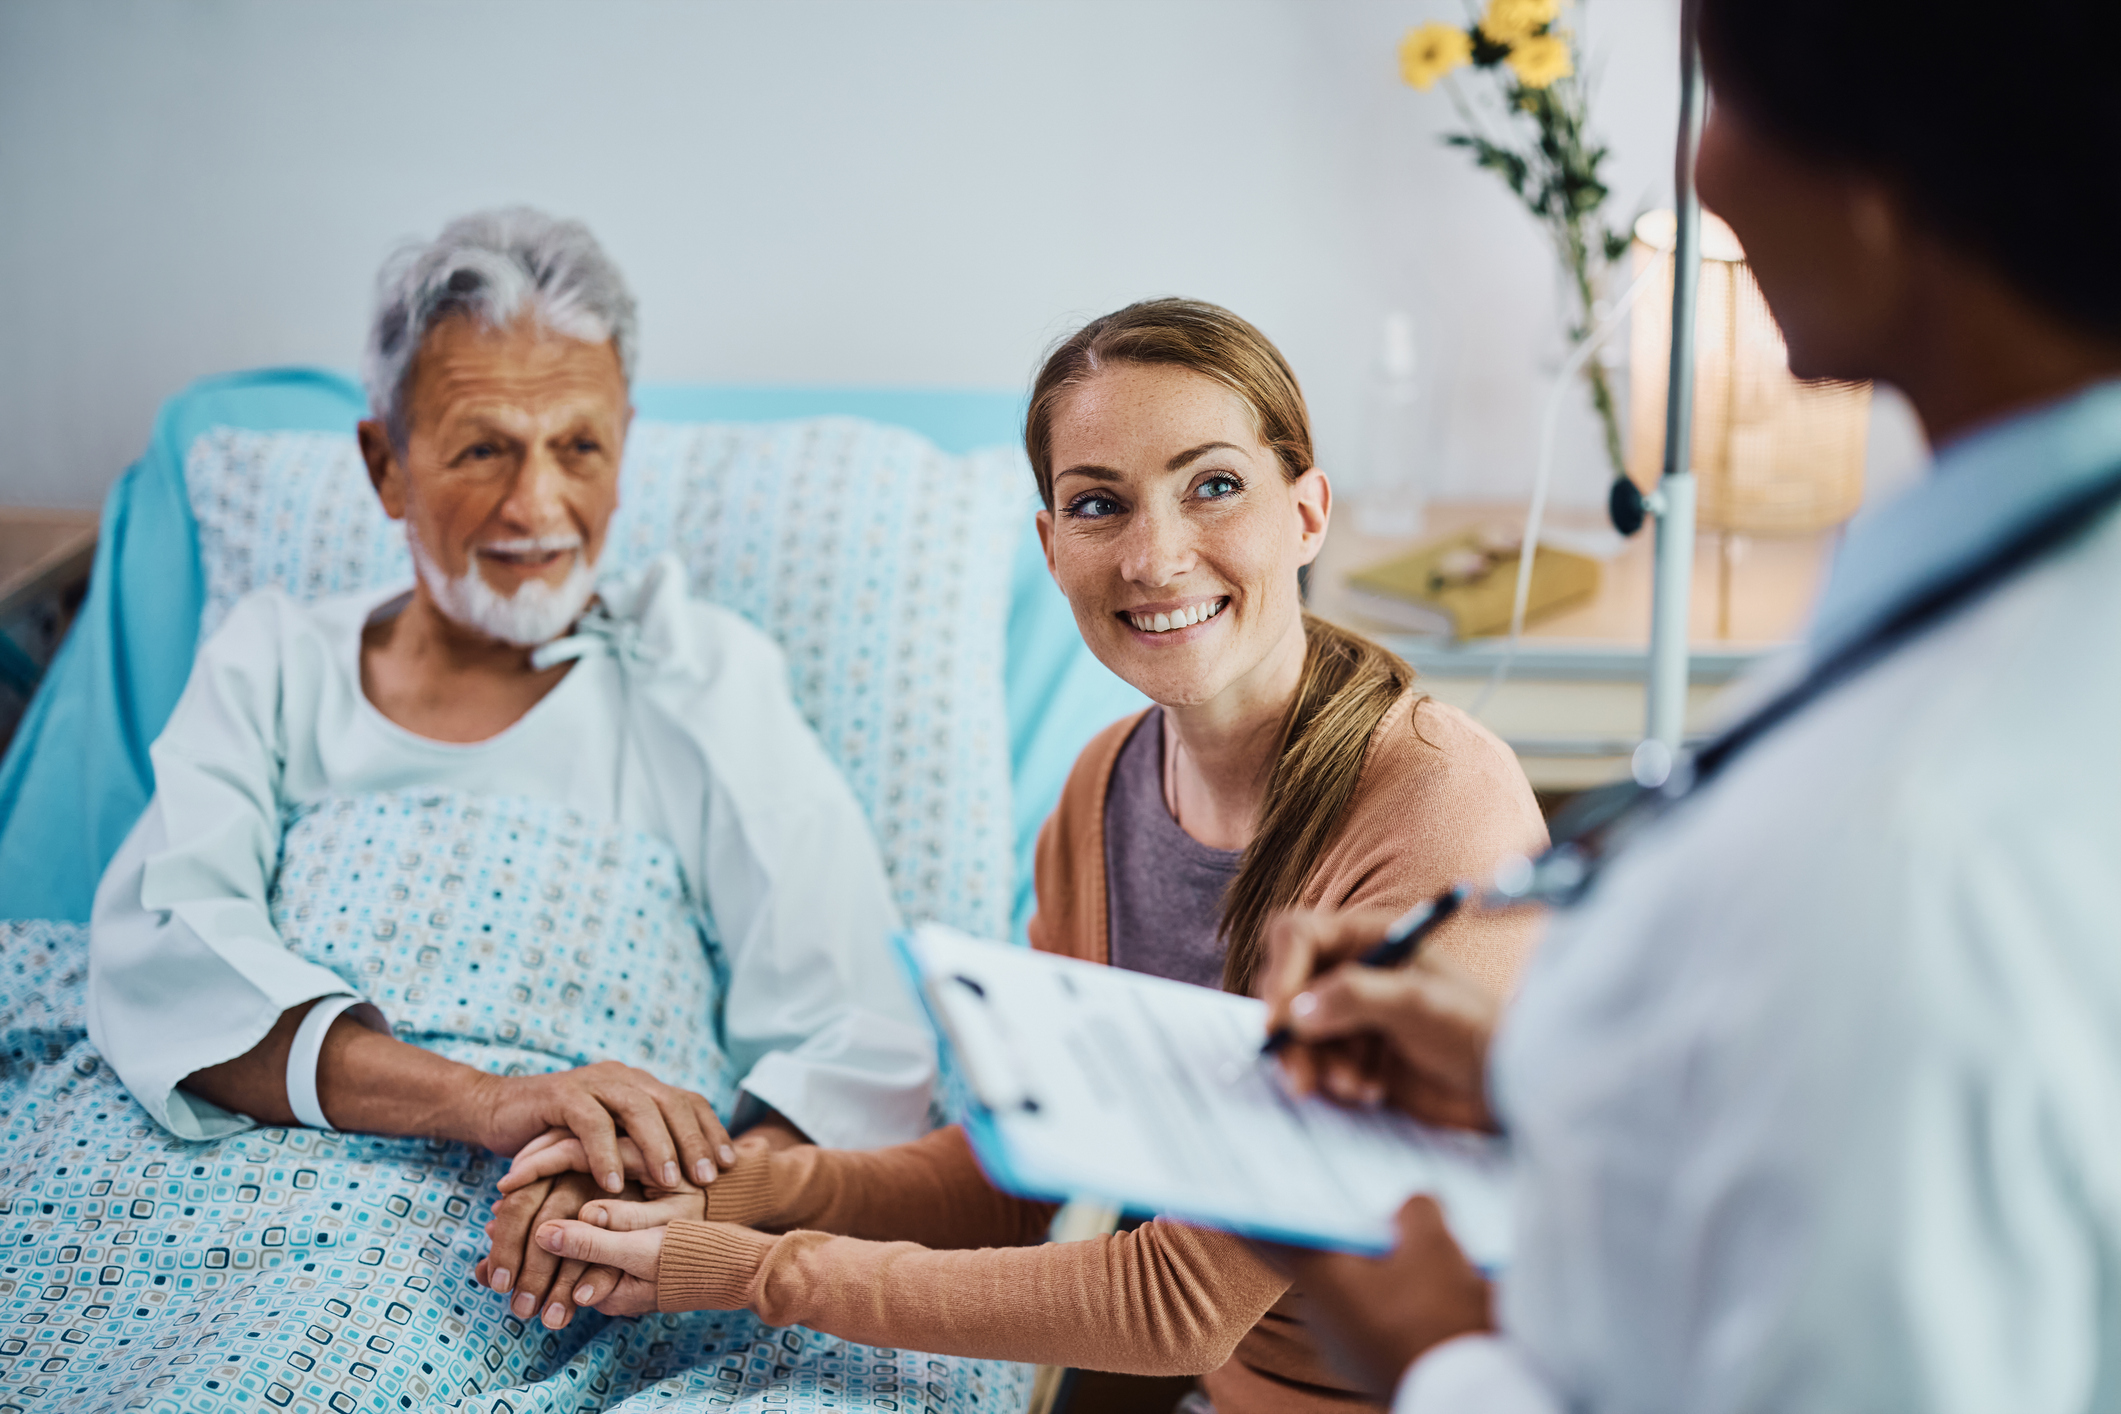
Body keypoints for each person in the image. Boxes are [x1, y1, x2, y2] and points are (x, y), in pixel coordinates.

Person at [1250, 1, 2121, 1410]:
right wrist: (1548, 1077)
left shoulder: (1915, 859)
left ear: (1887, 185)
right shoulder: (2015, 596)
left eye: (1728, 98)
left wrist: (1434, 1357)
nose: (1702, 170)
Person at [495, 298, 1551, 1414]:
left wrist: (751, 1269)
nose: (1153, 554)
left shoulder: (1439, 812)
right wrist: (722, 1191)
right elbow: (1018, 1177)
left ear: (1309, 509)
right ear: (1052, 547)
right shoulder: (1104, 789)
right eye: (1100, 504)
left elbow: (1179, 1298)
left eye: (1214, 485)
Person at [48, 208, 1004, 1409]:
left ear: (625, 445)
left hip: (576, 1236)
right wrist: (489, 1106)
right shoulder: (276, 661)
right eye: (482, 448)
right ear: (384, 463)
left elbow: (858, 1033)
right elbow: (164, 952)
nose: (537, 504)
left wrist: (663, 1195)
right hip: (251, 1185)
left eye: (579, 447)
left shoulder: (699, 677)